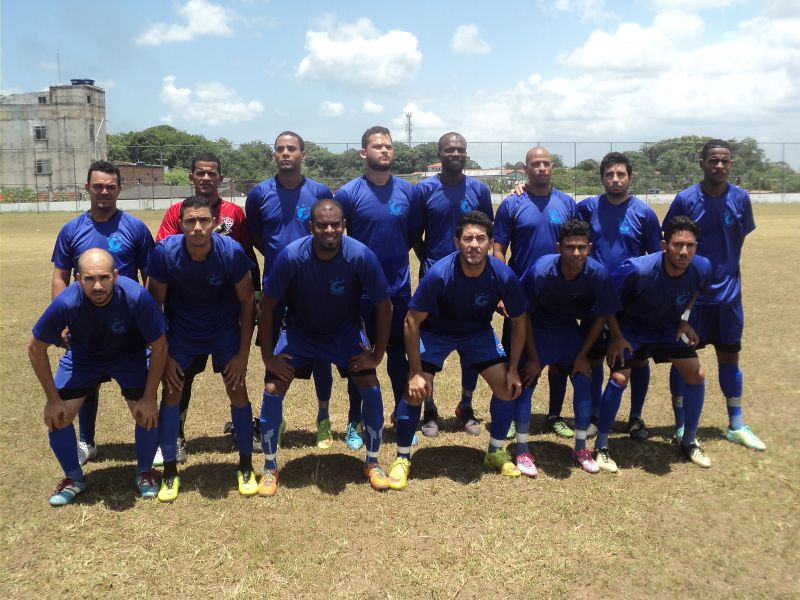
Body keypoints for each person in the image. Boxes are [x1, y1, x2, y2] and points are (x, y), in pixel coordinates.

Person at [257, 199, 393, 495]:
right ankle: (269, 467)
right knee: (272, 389)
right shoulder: (292, 256)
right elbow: (266, 307)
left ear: (344, 225)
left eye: (335, 224)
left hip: (344, 334)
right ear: (311, 226)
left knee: (370, 386)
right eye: (322, 225)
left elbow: (385, 306)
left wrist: (376, 355)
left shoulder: (360, 255)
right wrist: (268, 357)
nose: (329, 230)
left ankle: (372, 462)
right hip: (300, 334)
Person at [388, 211, 527, 490]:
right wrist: (415, 373)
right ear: (456, 242)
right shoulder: (439, 274)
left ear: (490, 243)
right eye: (467, 239)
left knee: (507, 387)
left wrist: (513, 369)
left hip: (477, 333)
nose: (474, 245)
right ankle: (402, 457)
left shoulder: (503, 275)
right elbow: (411, 322)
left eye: (480, 239)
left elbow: (520, 321)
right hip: (436, 333)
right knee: (414, 391)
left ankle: (495, 452)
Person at [29, 248, 167, 505]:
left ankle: (144, 472)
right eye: (89, 279)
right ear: (78, 278)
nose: (98, 286)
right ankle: (73, 478)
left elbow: (160, 346)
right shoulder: (66, 302)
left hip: (129, 356)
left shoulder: (137, 296)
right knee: (58, 416)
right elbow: (36, 348)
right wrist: (52, 399)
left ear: (115, 275)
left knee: (146, 413)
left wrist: (149, 397)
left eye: (104, 277)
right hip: (84, 358)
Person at [147, 196, 257, 501]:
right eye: (190, 221)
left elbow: (248, 301)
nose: (197, 227)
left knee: (237, 389)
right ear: (180, 224)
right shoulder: (165, 253)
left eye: (204, 220)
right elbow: (154, 305)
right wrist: (165, 355)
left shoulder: (231, 251)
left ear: (214, 223)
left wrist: (242, 355)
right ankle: (170, 472)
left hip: (223, 330)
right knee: (172, 392)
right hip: (182, 333)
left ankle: (246, 466)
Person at [51, 160, 155, 466]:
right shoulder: (71, 230)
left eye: (110, 187)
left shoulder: (135, 228)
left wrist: (149, 318)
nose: (104, 192)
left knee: (143, 391)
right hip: (85, 325)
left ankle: (151, 447)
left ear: (119, 189)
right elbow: (60, 276)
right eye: (98, 186)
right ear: (87, 188)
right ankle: (87, 441)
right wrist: (60, 320)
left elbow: (149, 275)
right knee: (86, 383)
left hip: (128, 329)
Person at [663, 139, 764, 451]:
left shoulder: (741, 198)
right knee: (683, 361)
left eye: (724, 160)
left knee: (729, 356)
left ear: (731, 164)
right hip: (691, 299)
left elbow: (738, 238)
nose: (719, 165)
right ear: (702, 163)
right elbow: (669, 239)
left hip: (728, 298)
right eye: (713, 160)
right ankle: (681, 424)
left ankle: (736, 424)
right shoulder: (686, 199)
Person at [596, 216, 713, 470]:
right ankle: (601, 445)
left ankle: (689, 441)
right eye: (677, 244)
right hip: (631, 329)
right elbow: (608, 301)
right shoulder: (638, 270)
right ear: (663, 245)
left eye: (690, 245)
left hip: (666, 329)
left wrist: (684, 320)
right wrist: (617, 336)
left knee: (696, 374)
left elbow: (695, 292)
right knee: (620, 378)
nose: (684, 251)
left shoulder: (701, 267)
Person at [245, 132, 338, 450]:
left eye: (291, 149)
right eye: (280, 149)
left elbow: (330, 233)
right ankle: (276, 416)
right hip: (276, 287)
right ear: (274, 155)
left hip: (315, 286)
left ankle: (323, 418)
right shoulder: (259, 194)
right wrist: (282, 261)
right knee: (273, 352)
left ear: (303, 155)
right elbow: (257, 236)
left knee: (322, 352)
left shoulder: (319, 192)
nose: (285, 153)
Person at [335, 126, 422, 444]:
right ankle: (354, 421)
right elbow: (337, 237)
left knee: (398, 357)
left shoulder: (408, 192)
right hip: (359, 291)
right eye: (377, 146)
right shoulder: (348, 193)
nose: (384, 150)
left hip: (397, 288)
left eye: (388, 146)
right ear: (363, 152)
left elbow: (412, 236)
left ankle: (402, 418)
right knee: (358, 355)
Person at [519, 220, 622, 475]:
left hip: (568, 329)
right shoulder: (541, 270)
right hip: (538, 329)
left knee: (583, 377)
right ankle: (521, 448)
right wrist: (533, 358)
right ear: (559, 247)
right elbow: (523, 314)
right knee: (526, 381)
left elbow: (602, 315)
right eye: (569, 247)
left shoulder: (598, 274)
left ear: (589, 247)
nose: (576, 253)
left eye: (581, 247)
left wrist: (582, 355)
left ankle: (580, 448)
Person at [576, 152, 662, 440]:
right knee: (595, 356)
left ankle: (635, 417)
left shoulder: (644, 214)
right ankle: (596, 414)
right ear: (602, 178)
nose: (615, 179)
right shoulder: (587, 208)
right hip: (595, 296)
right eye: (609, 174)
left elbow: (656, 258)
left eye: (620, 174)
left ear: (630, 177)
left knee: (637, 360)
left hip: (632, 300)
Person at [494, 146, 577, 442]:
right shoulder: (512, 203)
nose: (541, 168)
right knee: (515, 356)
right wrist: (504, 289)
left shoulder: (567, 203)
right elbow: (499, 249)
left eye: (546, 163)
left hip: (558, 293)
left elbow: (577, 245)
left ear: (552, 168)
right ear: (525, 169)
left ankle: (554, 414)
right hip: (521, 293)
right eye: (535, 164)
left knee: (559, 359)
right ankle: (512, 413)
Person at [414, 132, 494, 436]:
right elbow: (415, 233)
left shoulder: (478, 189)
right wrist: (431, 262)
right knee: (430, 348)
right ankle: (429, 409)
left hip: (473, 280)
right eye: (449, 149)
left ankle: (465, 406)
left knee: (470, 341)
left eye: (460, 149)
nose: (455, 153)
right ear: (440, 153)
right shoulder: (424, 190)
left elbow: (487, 232)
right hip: (437, 280)